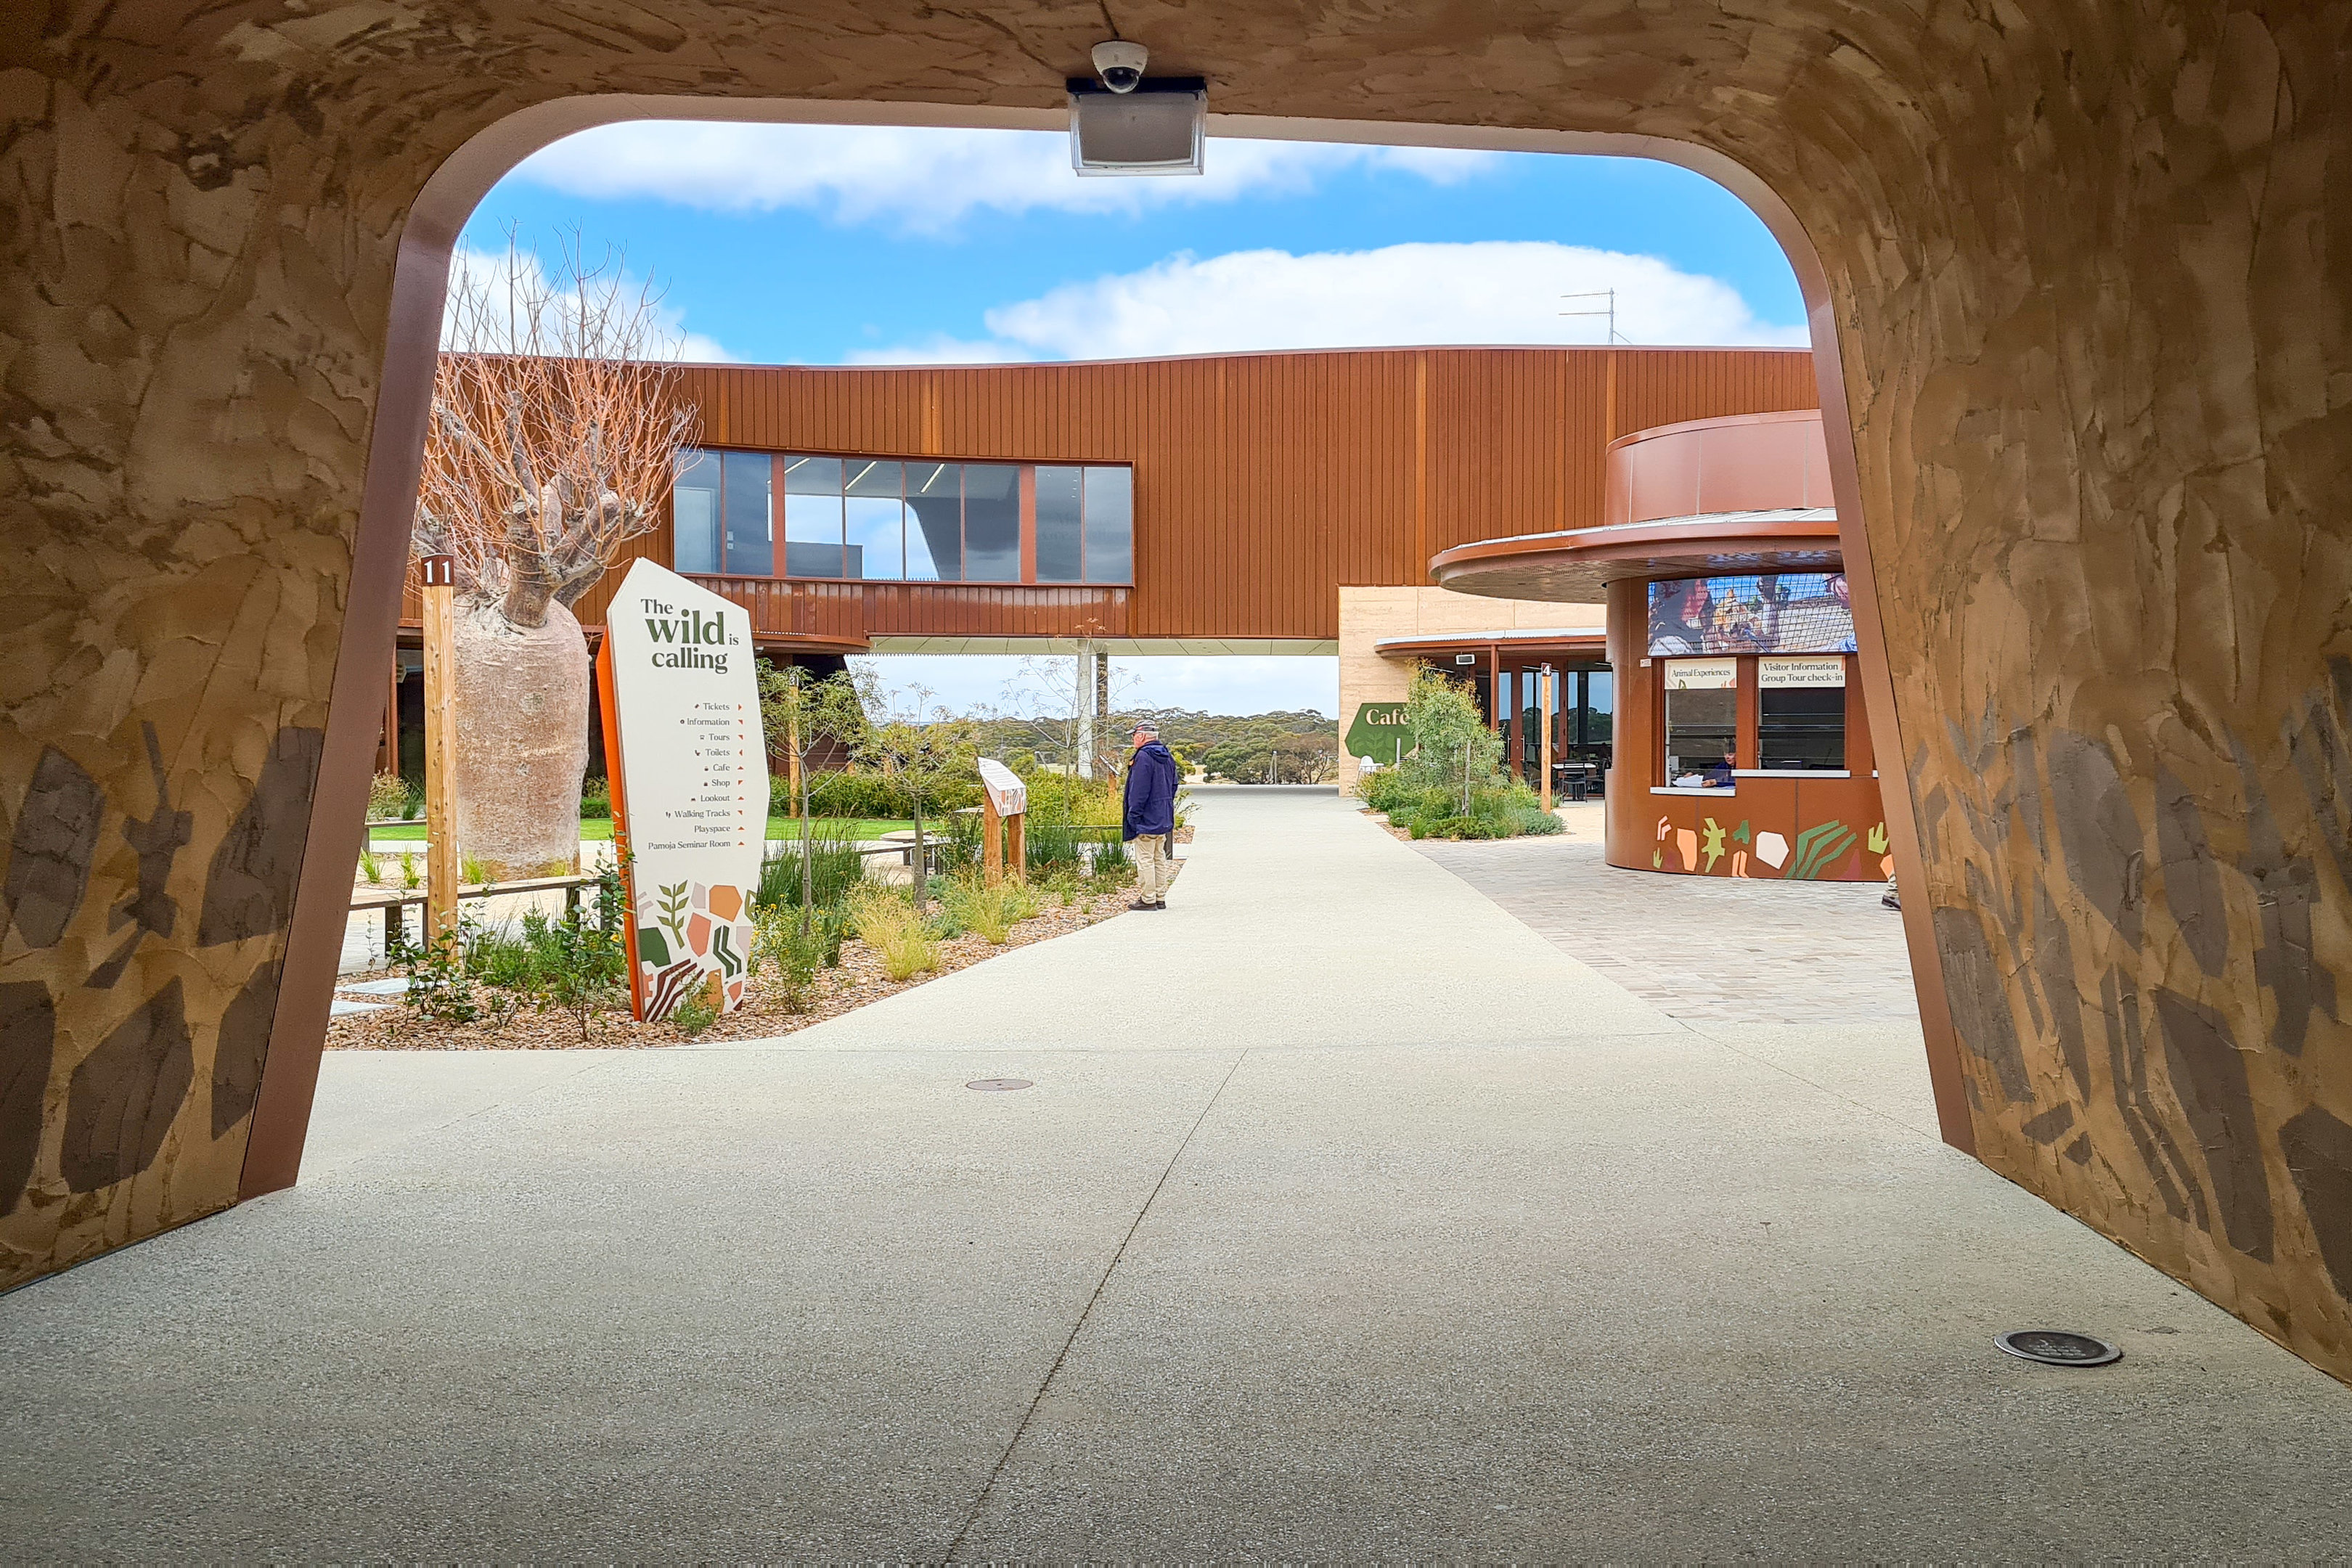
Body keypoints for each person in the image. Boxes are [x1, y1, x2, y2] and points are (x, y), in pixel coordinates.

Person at [1122, 719, 1180, 910]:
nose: (1133, 739)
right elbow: (1174, 785)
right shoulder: (1167, 756)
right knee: (1158, 856)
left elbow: (1138, 791)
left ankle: (1148, 899)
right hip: (1163, 814)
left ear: (1142, 736)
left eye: (1134, 735)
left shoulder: (1143, 758)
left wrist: (1133, 816)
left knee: (1145, 858)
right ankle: (1160, 897)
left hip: (1146, 817)